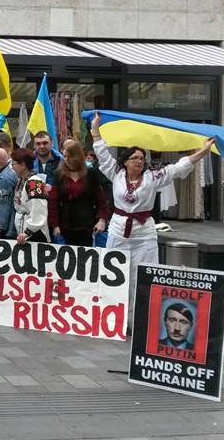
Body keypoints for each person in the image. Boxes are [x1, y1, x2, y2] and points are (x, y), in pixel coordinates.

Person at [90, 112, 213, 307]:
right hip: (118, 231)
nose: (140, 161)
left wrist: (202, 152)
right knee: (115, 273)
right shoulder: (117, 174)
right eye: (135, 158)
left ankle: (143, 314)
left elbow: (179, 168)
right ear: (126, 161)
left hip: (144, 233)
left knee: (145, 274)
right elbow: (103, 154)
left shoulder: (153, 177)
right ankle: (116, 314)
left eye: (142, 158)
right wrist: (96, 129)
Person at [48, 138, 109, 246]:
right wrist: (55, 225)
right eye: (65, 156)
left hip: (88, 224)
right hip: (65, 225)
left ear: (77, 156)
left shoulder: (91, 173)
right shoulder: (59, 174)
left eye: (70, 156)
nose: (67, 159)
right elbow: (53, 202)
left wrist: (102, 220)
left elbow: (101, 200)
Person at [0, 148, 49, 243]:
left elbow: (39, 211)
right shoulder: (20, 181)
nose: (11, 167)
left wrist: (28, 232)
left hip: (35, 233)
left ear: (23, 165)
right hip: (22, 232)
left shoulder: (35, 183)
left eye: (13, 163)